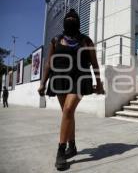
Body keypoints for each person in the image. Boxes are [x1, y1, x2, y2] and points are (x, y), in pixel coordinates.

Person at [37, 9, 105, 171]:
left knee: (68, 110)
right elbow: (48, 64)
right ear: (64, 22)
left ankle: (61, 151)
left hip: (80, 78)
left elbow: (94, 64)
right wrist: (43, 83)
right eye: (68, 18)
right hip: (60, 79)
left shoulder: (86, 41)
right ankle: (72, 146)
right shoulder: (55, 40)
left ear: (78, 22)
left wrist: (99, 83)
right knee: (67, 114)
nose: (71, 20)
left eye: (74, 18)